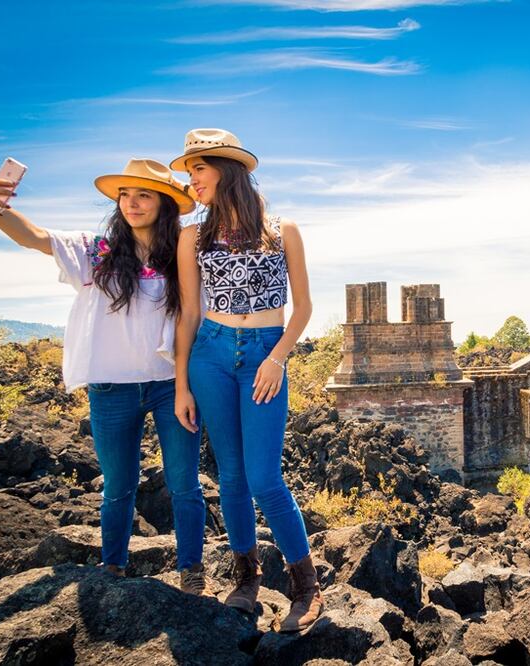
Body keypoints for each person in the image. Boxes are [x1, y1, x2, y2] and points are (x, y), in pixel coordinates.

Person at [0, 159, 208, 594]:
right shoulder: (95, 251)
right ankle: (113, 568)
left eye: (144, 195)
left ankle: (192, 571)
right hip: (110, 389)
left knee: (184, 483)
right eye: (125, 195)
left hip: (170, 386)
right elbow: (35, 237)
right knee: (118, 485)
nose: (131, 203)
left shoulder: (182, 257)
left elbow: (197, 317)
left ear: (166, 204)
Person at [171, 129, 322, 633]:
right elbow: (190, 312)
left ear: (226, 170)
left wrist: (277, 358)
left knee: (264, 477)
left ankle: (307, 586)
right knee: (231, 476)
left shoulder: (282, 230)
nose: (190, 180)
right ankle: (246, 577)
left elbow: (302, 309)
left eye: (198, 169)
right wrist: (180, 384)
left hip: (264, 352)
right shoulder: (192, 235)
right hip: (209, 356)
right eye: (188, 171)